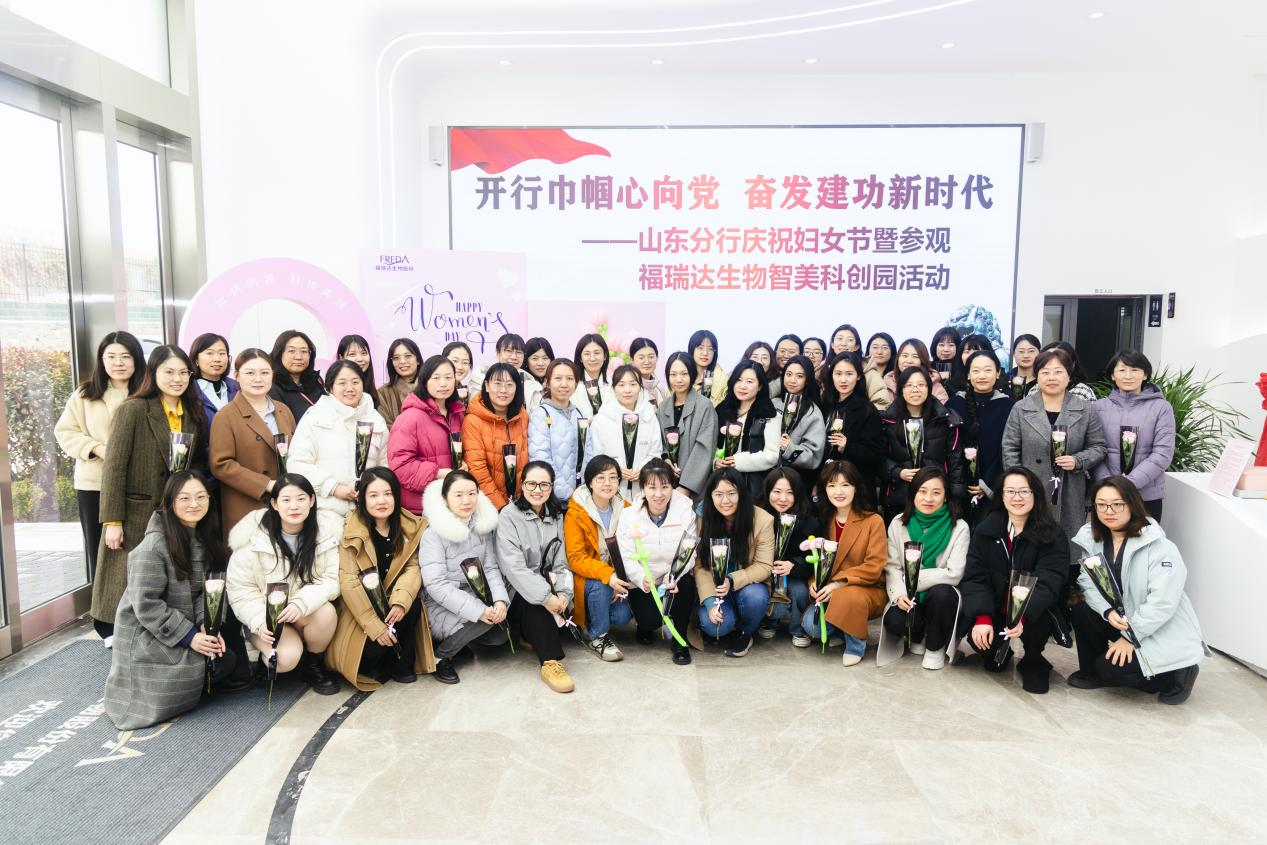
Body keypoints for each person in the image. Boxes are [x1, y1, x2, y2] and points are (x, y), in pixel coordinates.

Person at [105, 471, 247, 731]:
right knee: (204, 670)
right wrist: (191, 637)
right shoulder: (152, 547)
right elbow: (147, 606)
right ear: (170, 502)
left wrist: (207, 626)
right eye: (184, 498)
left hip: (182, 627)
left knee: (226, 661)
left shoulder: (203, 536)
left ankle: (196, 677)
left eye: (201, 497)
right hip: (149, 634)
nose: (194, 504)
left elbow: (206, 591)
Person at [94, 345, 207, 642]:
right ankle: (119, 640)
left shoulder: (192, 413)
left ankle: (161, 638)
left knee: (163, 579)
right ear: (153, 373)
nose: (177, 379)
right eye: (169, 372)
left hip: (176, 511)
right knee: (124, 581)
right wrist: (112, 521)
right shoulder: (133, 409)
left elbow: (196, 462)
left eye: (183, 372)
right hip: (137, 511)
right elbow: (114, 467)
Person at [1067, 476, 1202, 704]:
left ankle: (1177, 673)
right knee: (1081, 609)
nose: (1109, 511)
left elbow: (1162, 602)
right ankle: (1092, 672)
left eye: (1117, 504)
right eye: (1101, 505)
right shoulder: (1093, 539)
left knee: (1110, 670)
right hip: (1122, 618)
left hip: (1154, 627)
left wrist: (1131, 637)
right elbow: (1088, 582)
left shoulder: (1159, 546)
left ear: (1132, 504)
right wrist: (1107, 612)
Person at [227, 473, 343, 695]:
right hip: (265, 617)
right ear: (274, 503)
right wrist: (259, 621)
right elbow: (241, 590)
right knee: (286, 659)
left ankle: (313, 664)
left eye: (301, 499)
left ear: (312, 500)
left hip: (302, 612)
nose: (294, 506)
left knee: (326, 612)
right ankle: (269, 661)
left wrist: (301, 603)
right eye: (286, 500)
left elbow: (331, 579)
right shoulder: (252, 538)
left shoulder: (326, 533)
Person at [959, 467, 1069, 694]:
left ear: (1035, 494)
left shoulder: (1052, 535)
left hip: (1033, 612)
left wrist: (1022, 617)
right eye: (1010, 491)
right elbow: (975, 577)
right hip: (997, 607)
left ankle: (1034, 661)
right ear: (1001, 496)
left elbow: (1049, 581)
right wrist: (982, 617)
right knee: (990, 658)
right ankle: (1002, 650)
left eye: (1023, 491)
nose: (1016, 497)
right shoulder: (986, 530)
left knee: (1037, 625)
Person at [327, 467, 435, 690]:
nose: (381, 501)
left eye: (388, 494)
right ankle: (378, 659)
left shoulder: (409, 526)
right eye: (373, 495)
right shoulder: (352, 530)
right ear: (363, 498)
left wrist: (400, 601)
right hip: (362, 610)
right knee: (370, 652)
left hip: (391, 605)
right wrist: (374, 626)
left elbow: (413, 567)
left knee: (411, 603)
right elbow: (349, 582)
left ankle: (402, 664)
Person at [55, 330, 144, 582]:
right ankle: (103, 605)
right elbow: (65, 432)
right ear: (102, 361)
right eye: (111, 357)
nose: (118, 363)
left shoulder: (148, 393)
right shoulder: (85, 394)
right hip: (95, 485)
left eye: (125, 356)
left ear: (136, 359)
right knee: (101, 553)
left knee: (139, 552)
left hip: (140, 485)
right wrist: (95, 448)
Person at [1002, 347, 1107, 542]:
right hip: (1030, 489)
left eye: (1058, 372)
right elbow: (1010, 448)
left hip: (1070, 489)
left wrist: (1078, 460)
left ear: (1069, 375)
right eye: (1045, 372)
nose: (1051, 377)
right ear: (1037, 376)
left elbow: (1098, 447)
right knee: (1031, 544)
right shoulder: (1021, 408)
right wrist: (1019, 483)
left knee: (1067, 544)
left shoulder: (1085, 409)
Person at [419, 470, 509, 685]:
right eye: (458, 495)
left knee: (499, 636)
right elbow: (436, 585)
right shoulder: (433, 534)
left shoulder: (481, 528)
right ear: (445, 498)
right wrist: (478, 610)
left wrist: (499, 601)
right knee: (485, 622)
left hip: (474, 594)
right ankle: (440, 657)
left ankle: (461, 641)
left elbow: (491, 568)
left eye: (471, 493)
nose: (466, 501)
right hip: (440, 603)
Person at [497, 461, 578, 692]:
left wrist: (564, 594)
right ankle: (551, 662)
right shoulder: (508, 516)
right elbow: (514, 568)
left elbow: (562, 562)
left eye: (544, 484)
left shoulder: (557, 516)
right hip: (515, 590)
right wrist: (546, 597)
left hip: (549, 584)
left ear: (552, 487)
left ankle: (528, 635)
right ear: (522, 485)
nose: (537, 490)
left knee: (561, 606)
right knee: (535, 606)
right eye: (531, 484)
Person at [877, 467, 970, 669]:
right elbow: (892, 567)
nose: (929, 498)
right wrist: (899, 594)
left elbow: (954, 573)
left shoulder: (959, 526)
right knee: (894, 620)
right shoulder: (898, 523)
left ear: (945, 497)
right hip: (908, 594)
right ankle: (918, 636)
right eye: (922, 491)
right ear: (913, 494)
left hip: (941, 594)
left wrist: (913, 581)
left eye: (936, 493)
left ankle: (935, 647)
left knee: (942, 595)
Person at [614, 459, 698, 665]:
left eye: (665, 487)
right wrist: (641, 578)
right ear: (643, 488)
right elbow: (625, 554)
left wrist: (675, 574)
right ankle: (644, 626)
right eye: (652, 487)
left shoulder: (685, 510)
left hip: (673, 577)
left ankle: (679, 639)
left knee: (686, 585)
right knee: (650, 620)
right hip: (645, 579)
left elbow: (689, 550)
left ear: (672, 486)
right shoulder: (629, 515)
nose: (658, 494)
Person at [807, 460, 888, 666]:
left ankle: (855, 645)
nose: (838, 491)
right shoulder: (824, 520)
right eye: (832, 485)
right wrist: (814, 582)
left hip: (866, 588)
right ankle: (843, 630)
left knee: (849, 596)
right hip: (831, 591)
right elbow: (817, 561)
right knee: (811, 626)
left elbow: (874, 566)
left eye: (845, 485)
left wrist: (838, 583)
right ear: (825, 490)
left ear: (856, 487)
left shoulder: (873, 521)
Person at [210, 348, 298, 536]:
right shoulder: (226, 416)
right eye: (250, 373)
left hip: (286, 505)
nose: (258, 379)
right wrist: (266, 484)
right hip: (247, 506)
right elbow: (221, 465)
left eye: (264, 373)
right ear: (236, 376)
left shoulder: (283, 410)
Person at [287, 360, 388, 516]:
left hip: (368, 511)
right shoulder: (315, 417)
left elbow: (385, 464)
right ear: (330, 388)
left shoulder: (375, 418)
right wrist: (332, 487)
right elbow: (297, 463)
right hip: (326, 510)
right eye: (342, 383)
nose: (350, 388)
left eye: (355, 382)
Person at [694, 467, 775, 658]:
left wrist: (732, 579)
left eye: (731, 493)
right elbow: (700, 565)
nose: (725, 501)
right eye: (718, 494)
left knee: (756, 597)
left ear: (741, 493)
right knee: (715, 627)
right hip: (715, 587)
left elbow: (764, 565)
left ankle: (745, 632)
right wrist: (710, 602)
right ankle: (728, 620)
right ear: (710, 496)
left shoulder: (762, 520)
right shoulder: (703, 517)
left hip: (746, 586)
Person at [1093, 350, 1176, 520]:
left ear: (1145, 375)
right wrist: (1109, 485)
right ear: (1112, 375)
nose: (1128, 376)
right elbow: (1093, 449)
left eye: (1135, 370)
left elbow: (1163, 453)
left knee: (1145, 537)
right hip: (1107, 496)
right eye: (1122, 370)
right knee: (1106, 537)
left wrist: (1128, 484)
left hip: (1146, 496)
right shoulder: (1098, 407)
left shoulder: (1161, 408)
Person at [564, 455, 630, 661]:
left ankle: (593, 620)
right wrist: (608, 576)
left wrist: (617, 579)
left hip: (614, 579)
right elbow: (575, 558)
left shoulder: (627, 508)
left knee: (622, 616)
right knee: (601, 586)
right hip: (586, 580)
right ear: (590, 482)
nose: (607, 483)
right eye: (600, 478)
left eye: (613, 477)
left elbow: (630, 550)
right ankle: (597, 636)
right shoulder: (576, 512)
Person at [387, 354, 466, 514]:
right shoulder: (410, 417)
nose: (443, 383)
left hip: (453, 502)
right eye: (436, 378)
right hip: (421, 507)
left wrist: (464, 463)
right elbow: (399, 465)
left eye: (448, 377)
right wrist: (438, 473)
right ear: (424, 381)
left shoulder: (457, 413)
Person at [881, 367, 966, 512]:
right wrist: (898, 472)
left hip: (936, 496)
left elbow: (955, 461)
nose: (915, 389)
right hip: (900, 496)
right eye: (909, 385)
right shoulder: (887, 421)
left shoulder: (945, 419)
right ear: (901, 389)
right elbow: (879, 457)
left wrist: (955, 497)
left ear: (929, 388)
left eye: (921, 385)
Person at [947, 350, 1014, 523]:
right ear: (968, 375)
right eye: (976, 371)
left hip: (995, 487)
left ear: (998, 373)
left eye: (988, 370)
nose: (982, 376)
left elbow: (1009, 449)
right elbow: (948, 445)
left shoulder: (1008, 406)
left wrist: (988, 484)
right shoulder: (954, 404)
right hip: (959, 486)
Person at [755, 468, 820, 645]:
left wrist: (794, 564)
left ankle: (798, 628)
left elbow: (813, 558)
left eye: (790, 493)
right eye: (777, 491)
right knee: (773, 600)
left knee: (800, 591)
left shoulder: (809, 519)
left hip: (795, 575)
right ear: (767, 491)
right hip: (765, 573)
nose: (783, 498)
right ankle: (770, 621)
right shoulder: (757, 515)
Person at [462, 362, 530, 510]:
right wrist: (502, 508)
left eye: (509, 384)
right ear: (487, 385)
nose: (503, 390)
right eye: (497, 384)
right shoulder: (473, 420)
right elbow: (477, 470)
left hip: (522, 502)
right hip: (490, 507)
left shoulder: (522, 415)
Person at [589, 363, 662, 500]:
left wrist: (644, 470)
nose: (627, 390)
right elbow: (595, 453)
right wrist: (614, 469)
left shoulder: (649, 415)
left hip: (642, 488)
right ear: (613, 388)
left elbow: (655, 451)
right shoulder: (602, 418)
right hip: (610, 489)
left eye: (633, 384)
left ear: (640, 387)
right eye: (621, 385)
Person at [819, 351, 886, 495]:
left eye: (849, 374)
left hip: (856, 486)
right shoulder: (826, 404)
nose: (843, 380)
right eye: (838, 374)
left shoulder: (867, 410)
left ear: (859, 376)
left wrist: (847, 447)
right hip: (827, 482)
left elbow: (876, 454)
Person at [528, 358, 592, 505]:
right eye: (558, 378)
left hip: (581, 496)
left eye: (570, 379)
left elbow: (589, 452)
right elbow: (540, 456)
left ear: (576, 383)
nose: (564, 384)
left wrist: (585, 488)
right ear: (548, 382)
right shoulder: (541, 414)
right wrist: (565, 492)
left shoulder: (579, 413)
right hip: (553, 498)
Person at [713, 360, 780, 500]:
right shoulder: (722, 410)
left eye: (749, 381)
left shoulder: (769, 414)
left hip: (752, 487)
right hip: (722, 484)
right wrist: (716, 461)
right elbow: (713, 445)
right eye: (739, 380)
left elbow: (772, 455)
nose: (742, 386)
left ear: (760, 386)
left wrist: (737, 461)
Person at [659, 351, 718, 499]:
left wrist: (685, 487)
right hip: (666, 484)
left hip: (694, 489)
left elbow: (704, 449)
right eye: (673, 374)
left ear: (692, 374)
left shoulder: (704, 405)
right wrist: (665, 459)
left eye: (684, 374)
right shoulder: (663, 407)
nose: (678, 379)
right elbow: (659, 443)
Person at [774, 354, 825, 490]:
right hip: (767, 475)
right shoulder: (773, 403)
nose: (792, 380)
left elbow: (814, 455)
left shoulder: (813, 412)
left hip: (795, 481)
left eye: (799, 376)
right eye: (788, 374)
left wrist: (789, 448)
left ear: (807, 380)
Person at [471, 333, 542, 410]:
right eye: (508, 351)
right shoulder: (479, 378)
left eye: (519, 352)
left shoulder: (531, 384)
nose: (514, 357)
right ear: (498, 353)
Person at [268, 330, 324, 423]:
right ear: (279, 353)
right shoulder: (271, 385)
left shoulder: (316, 381)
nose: (298, 357)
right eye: (291, 351)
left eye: (303, 351)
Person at [189, 332, 238, 426]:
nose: (217, 359)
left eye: (222, 353)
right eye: (209, 353)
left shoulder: (237, 387)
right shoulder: (189, 390)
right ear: (196, 359)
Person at [882, 338, 950, 405]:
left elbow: (943, 410)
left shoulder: (935, 387)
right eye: (905, 356)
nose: (909, 361)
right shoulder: (887, 383)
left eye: (915, 356)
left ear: (923, 360)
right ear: (898, 358)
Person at [377, 338, 422, 426]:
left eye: (408, 356)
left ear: (418, 360)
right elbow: (384, 426)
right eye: (396, 358)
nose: (402, 361)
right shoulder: (383, 393)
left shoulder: (432, 388)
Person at [574, 332, 616, 414]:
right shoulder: (573, 384)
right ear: (580, 358)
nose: (592, 358)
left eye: (597, 353)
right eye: (587, 354)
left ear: (605, 356)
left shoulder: (613, 383)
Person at [337, 334, 379, 410]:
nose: (360, 359)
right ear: (341, 358)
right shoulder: (335, 390)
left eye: (363, 353)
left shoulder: (374, 392)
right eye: (352, 354)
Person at [687, 329, 728, 406]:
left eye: (710, 349)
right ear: (692, 349)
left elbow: (706, 406)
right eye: (700, 348)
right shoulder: (683, 373)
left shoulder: (719, 377)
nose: (705, 353)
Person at [862, 332, 896, 410]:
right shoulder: (859, 374)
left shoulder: (895, 377)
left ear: (892, 351)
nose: (879, 352)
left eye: (885, 348)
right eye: (875, 347)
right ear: (868, 349)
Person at [630, 337, 667, 406]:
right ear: (632, 360)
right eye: (641, 358)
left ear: (657, 358)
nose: (647, 362)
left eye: (651, 357)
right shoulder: (628, 389)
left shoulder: (660, 389)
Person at [1005, 334, 1041, 399]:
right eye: (1021, 351)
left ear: (1039, 353)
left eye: (1031, 351)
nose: (1026, 356)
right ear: (1014, 354)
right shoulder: (1004, 381)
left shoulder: (1043, 381)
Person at [442, 340, 474, 405]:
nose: (460, 367)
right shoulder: (433, 390)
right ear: (442, 361)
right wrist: (454, 396)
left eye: (465, 362)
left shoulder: (468, 394)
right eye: (455, 361)